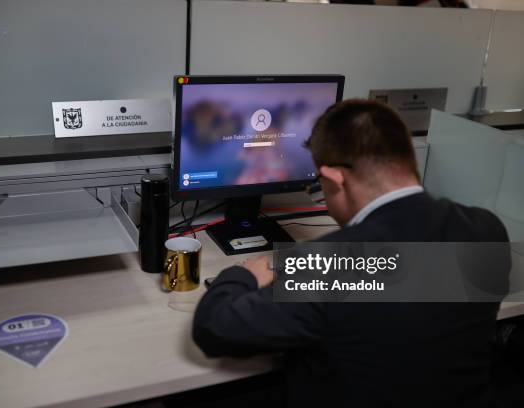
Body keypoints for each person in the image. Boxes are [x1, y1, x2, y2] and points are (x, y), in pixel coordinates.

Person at [192, 99, 510, 407]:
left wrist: (244, 274)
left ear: (334, 178)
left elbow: (213, 328)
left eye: (317, 185)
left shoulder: (331, 265)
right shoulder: (486, 230)